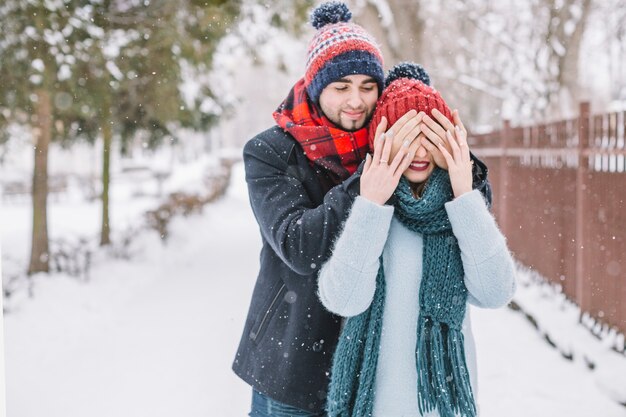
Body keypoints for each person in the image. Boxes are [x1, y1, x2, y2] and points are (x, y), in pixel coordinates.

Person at [232, 2, 491, 416]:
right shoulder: (271, 152)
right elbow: (299, 246)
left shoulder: (386, 135)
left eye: (368, 86)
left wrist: (464, 169)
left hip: (370, 361)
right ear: (317, 86)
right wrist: (370, 180)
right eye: (341, 87)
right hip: (294, 358)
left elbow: (443, 192)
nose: (356, 101)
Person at [318, 63, 517, 417]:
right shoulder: (368, 205)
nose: (421, 153)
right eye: (409, 139)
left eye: (431, 138)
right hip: (377, 405)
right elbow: (343, 299)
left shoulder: (460, 209)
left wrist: (463, 190)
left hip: (443, 404)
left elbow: (496, 291)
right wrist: (371, 204)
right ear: (384, 142)